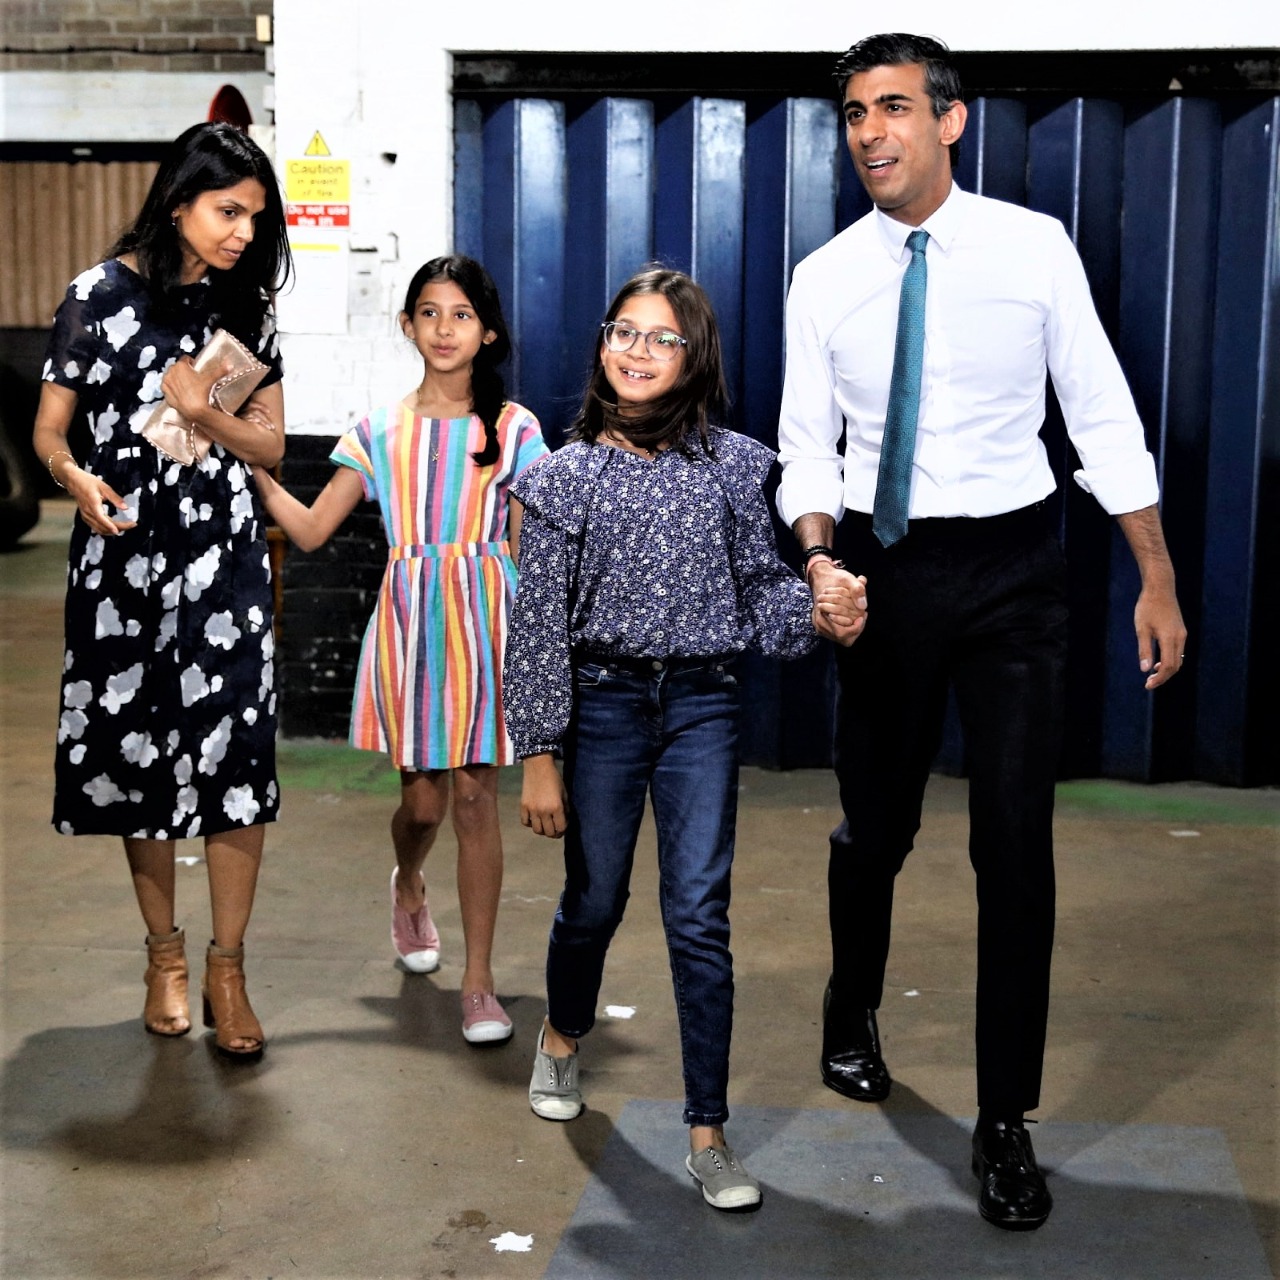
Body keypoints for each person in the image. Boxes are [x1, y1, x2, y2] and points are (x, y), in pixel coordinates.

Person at [776, 33, 1187, 1230]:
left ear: (949, 120)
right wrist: (820, 558)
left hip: (1013, 569)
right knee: (876, 826)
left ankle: (1003, 1117)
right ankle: (850, 1001)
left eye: (893, 107)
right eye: (854, 112)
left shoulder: (1031, 248)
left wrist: (1153, 573)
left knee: (1014, 845)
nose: (869, 132)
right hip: (884, 568)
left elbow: (1098, 412)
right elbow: (806, 444)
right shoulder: (823, 278)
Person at [506, 267, 865, 1211]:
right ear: (602, 346)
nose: (637, 351)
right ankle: (562, 1036)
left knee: (700, 917)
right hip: (604, 707)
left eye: (661, 337)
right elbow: (536, 627)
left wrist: (820, 611)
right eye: (622, 331)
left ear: (694, 355)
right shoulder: (560, 480)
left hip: (704, 706)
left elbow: (762, 589)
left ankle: (708, 1133)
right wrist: (539, 754)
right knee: (594, 899)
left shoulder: (736, 467)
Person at [32, 121, 293, 1060]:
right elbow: (49, 432)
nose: (243, 232)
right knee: (136, 755)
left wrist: (202, 414)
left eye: (255, 217)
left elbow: (271, 445)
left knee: (234, 758)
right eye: (229, 212)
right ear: (179, 202)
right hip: (124, 560)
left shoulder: (246, 307)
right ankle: (166, 959)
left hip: (224, 561)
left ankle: (229, 969)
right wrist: (75, 479)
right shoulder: (96, 297)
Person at [252, 255, 547, 1045]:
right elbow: (311, 531)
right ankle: (409, 881)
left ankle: (479, 984)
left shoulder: (516, 430)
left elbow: (531, 552)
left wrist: (536, 646)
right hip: (413, 627)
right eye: (429, 313)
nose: (444, 329)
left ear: (488, 333)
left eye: (461, 315)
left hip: (487, 620)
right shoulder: (378, 431)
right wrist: (259, 474)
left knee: (476, 801)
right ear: (408, 325)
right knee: (423, 805)